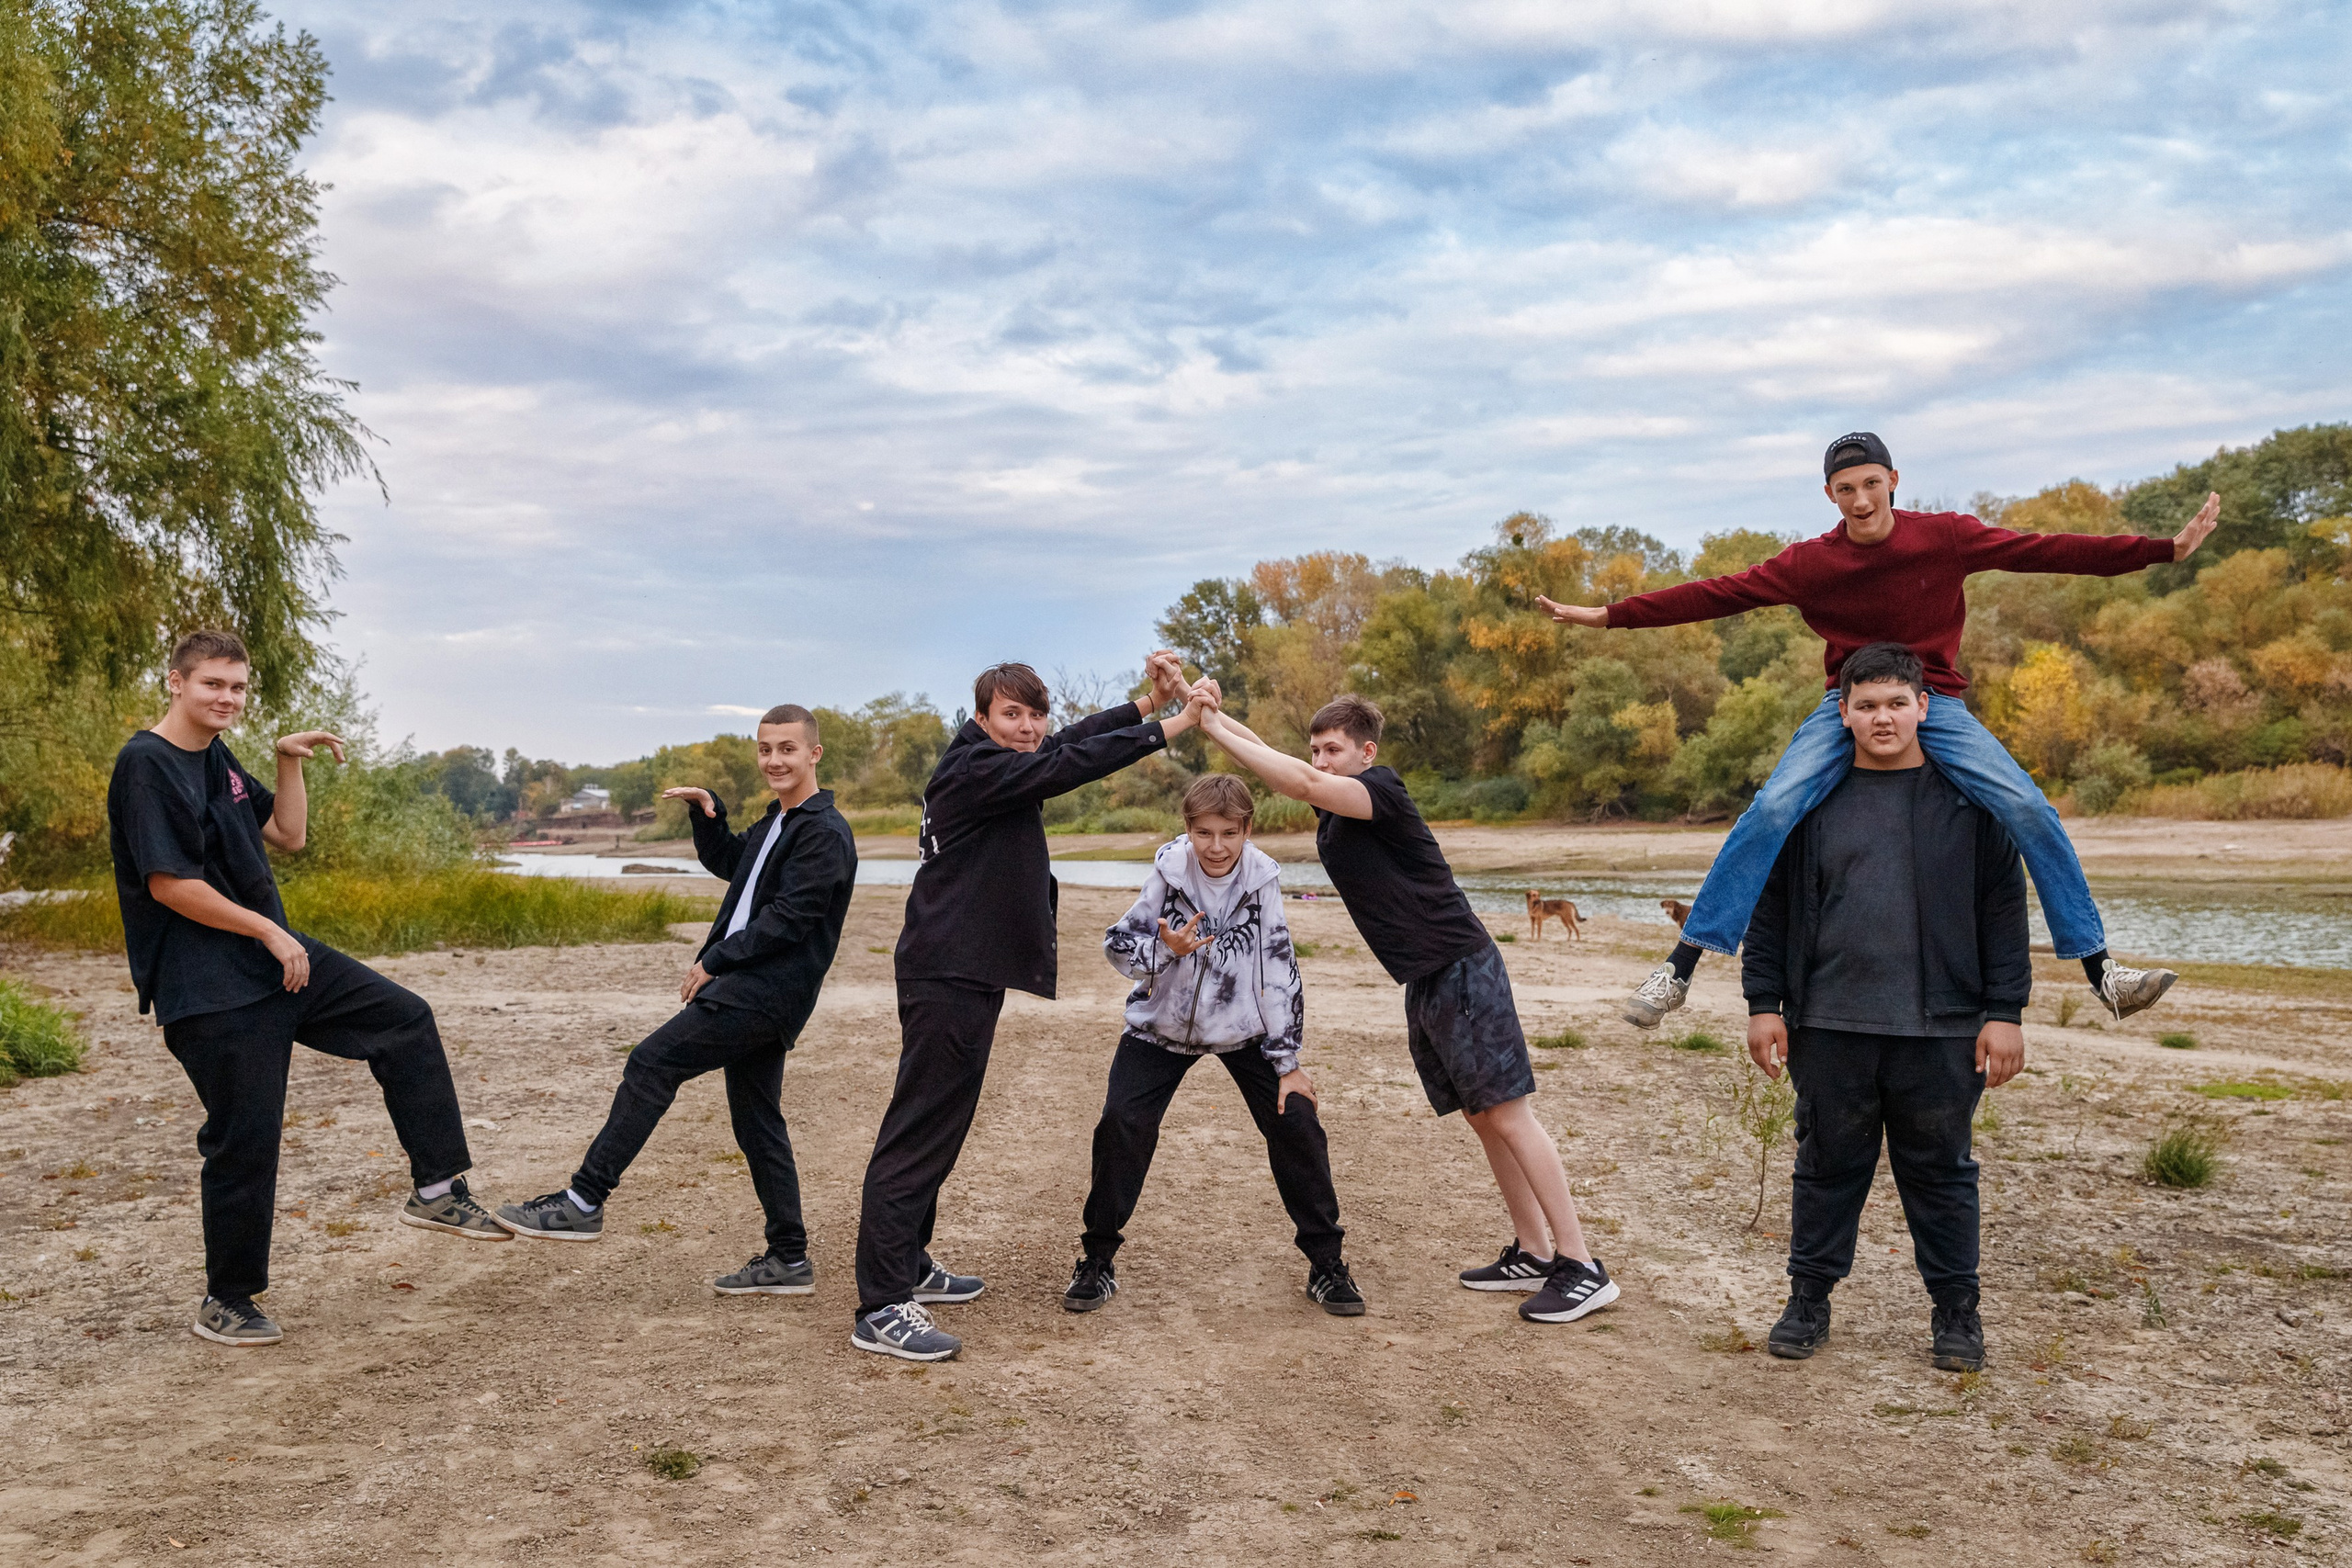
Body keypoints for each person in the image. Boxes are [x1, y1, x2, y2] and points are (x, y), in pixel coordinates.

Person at [1535, 431, 2219, 1031]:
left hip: (1936, 701)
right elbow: (1717, 593)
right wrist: (1607, 615)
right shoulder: (1810, 563)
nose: (1860, 499)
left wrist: (2161, 550)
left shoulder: (1944, 536)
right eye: (1844, 488)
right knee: (1773, 807)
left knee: (2024, 805)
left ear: (1893, 480)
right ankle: (1680, 968)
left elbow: (2045, 550)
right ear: (1828, 494)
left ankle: (2103, 973)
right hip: (1846, 702)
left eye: (1870, 484)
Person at [107, 630, 507, 1348]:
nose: (227, 698)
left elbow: (286, 834)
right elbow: (168, 884)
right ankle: (227, 1299)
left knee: (405, 1020)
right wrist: (267, 928)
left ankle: (439, 1189)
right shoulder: (147, 764)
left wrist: (288, 761)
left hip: (272, 965)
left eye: (237, 686)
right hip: (210, 987)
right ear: (175, 682)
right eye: (212, 685)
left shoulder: (217, 757)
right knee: (245, 1138)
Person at [1194, 689, 1616, 1325]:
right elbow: (1273, 758)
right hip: (1426, 978)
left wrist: (1211, 728)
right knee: (1483, 1116)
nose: (1321, 760)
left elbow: (1299, 777)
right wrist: (1211, 714)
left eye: (1333, 749)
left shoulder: (1380, 790)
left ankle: (1581, 1264)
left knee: (1509, 1113)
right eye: (1315, 748)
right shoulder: (1337, 806)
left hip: (1461, 966)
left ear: (1366, 752)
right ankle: (1532, 1250)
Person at [851, 654, 1211, 1361]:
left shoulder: (992, 760)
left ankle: (910, 1263)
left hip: (960, 968)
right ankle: (883, 1302)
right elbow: (1064, 767)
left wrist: (1142, 706)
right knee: (920, 1129)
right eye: (1011, 714)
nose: (1027, 727)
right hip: (948, 971)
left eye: (1034, 713)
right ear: (981, 717)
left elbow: (1065, 746)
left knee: (940, 1122)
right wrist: (1174, 726)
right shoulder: (976, 769)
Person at [494, 706, 855, 1297]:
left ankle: (584, 1200)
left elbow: (792, 919)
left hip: (765, 992)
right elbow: (733, 867)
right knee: (758, 1121)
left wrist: (715, 961)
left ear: (814, 754)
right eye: (765, 749)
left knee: (652, 1062)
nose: (774, 761)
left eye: (787, 749)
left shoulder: (824, 832)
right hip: (752, 989)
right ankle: (789, 1259)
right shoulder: (777, 824)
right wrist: (707, 812)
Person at [1741, 642, 2030, 1373]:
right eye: (1866, 704)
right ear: (1841, 713)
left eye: (1897, 702)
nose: (1882, 717)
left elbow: (2004, 911)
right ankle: (1808, 1300)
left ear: (1925, 707)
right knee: (1827, 1164)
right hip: (1830, 1022)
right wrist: (1762, 1002)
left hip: (1942, 1025)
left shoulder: (1969, 804)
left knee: (1941, 1172)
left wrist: (2006, 1010)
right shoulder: (1809, 804)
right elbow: (1769, 909)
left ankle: (1956, 1314)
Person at [1064, 773, 1362, 1316]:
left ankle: (1327, 1265)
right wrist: (1165, 948)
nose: (1216, 846)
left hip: (1242, 1030)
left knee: (1296, 1119)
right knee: (1121, 1125)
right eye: (1204, 833)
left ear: (1247, 828)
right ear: (1188, 829)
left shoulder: (1262, 878)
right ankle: (1097, 1259)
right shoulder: (1168, 872)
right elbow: (1117, 945)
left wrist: (1288, 1061)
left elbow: (1278, 967)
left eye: (1229, 832)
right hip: (1160, 1028)